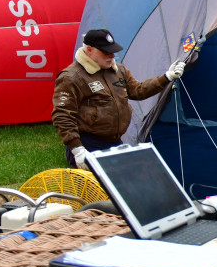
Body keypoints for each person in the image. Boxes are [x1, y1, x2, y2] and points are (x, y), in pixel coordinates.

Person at [52, 28, 185, 169]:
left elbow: (138, 91)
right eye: (106, 52)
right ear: (89, 50)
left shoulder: (119, 71)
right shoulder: (71, 77)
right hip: (88, 144)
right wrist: (77, 149)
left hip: (114, 142)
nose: (112, 55)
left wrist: (166, 77)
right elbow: (62, 115)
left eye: (113, 50)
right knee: (94, 189)